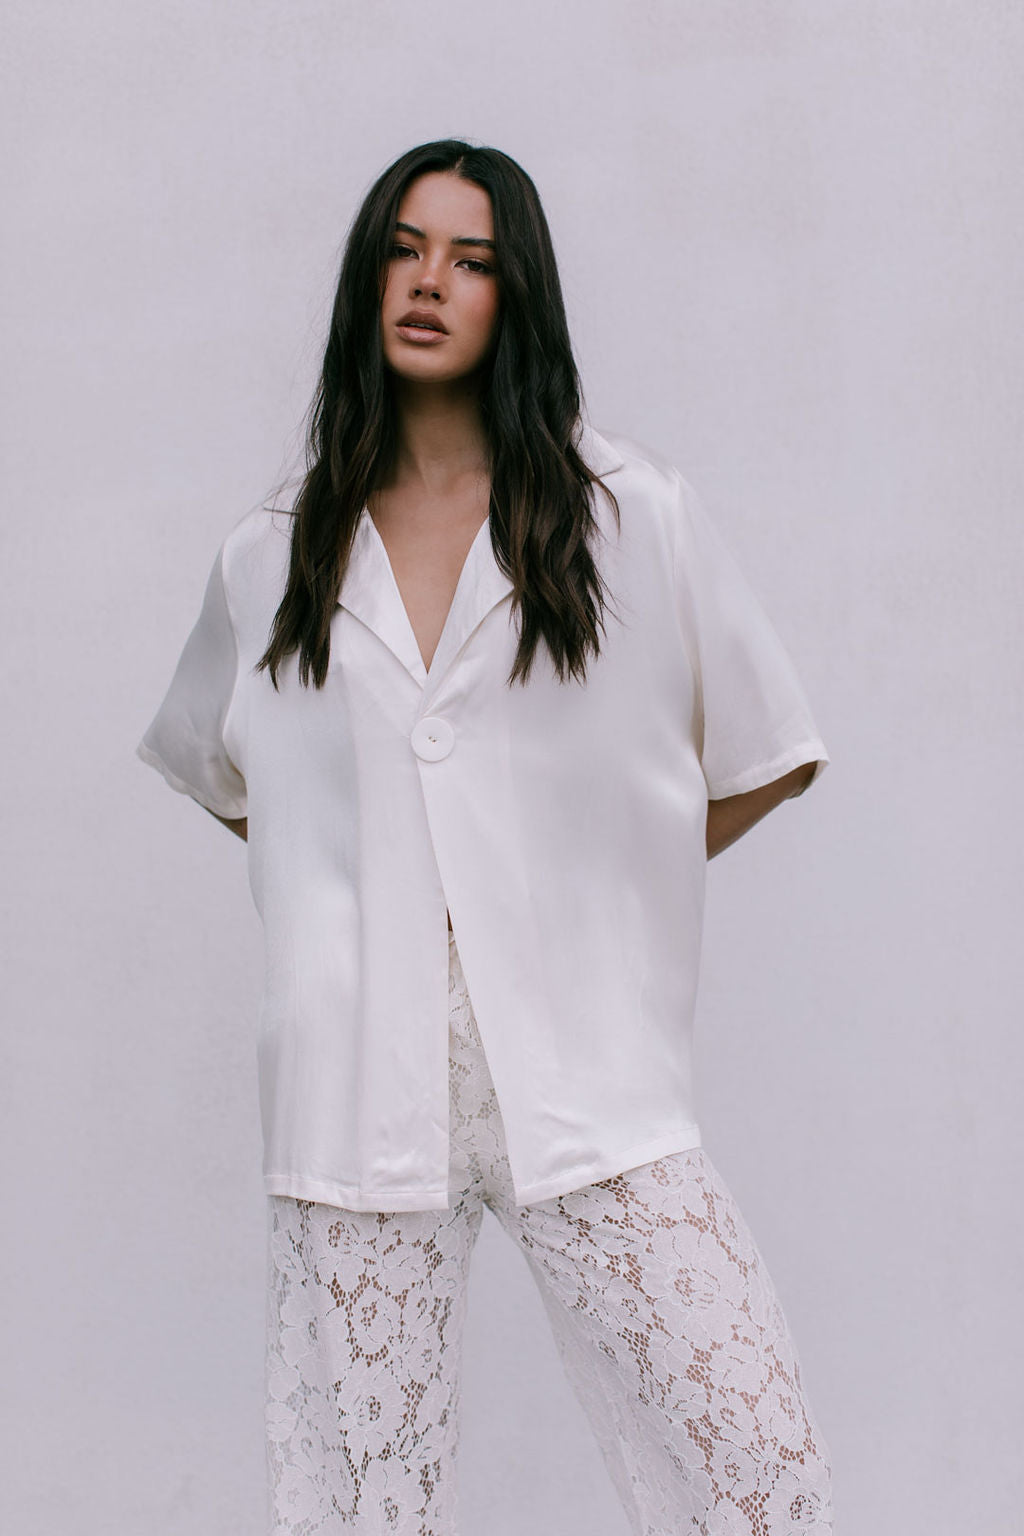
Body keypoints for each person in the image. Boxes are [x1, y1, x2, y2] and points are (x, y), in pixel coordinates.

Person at [137, 138, 835, 1534]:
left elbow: (769, 753)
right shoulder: (270, 551)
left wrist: (598, 891)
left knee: (759, 1470)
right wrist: (353, 904)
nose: (430, 283)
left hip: (586, 1071)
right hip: (354, 1085)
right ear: (365, 279)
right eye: (404, 249)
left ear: (519, 299)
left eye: (472, 260)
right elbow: (225, 772)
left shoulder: (635, 519)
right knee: (354, 1505)